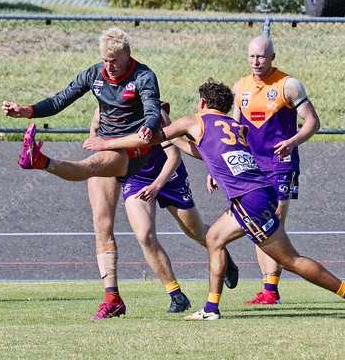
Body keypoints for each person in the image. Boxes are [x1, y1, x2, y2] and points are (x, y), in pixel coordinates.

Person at [83, 80, 345, 320]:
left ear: (203, 103)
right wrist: (179, 143)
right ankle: (211, 308)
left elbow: (148, 139)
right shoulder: (233, 125)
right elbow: (205, 152)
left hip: (249, 200)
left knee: (289, 260)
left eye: (198, 102)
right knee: (215, 239)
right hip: (262, 192)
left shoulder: (195, 120)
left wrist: (108, 143)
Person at [2, 27, 161, 319]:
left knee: (90, 165)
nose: (108, 66)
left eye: (114, 60)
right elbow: (59, 100)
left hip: (132, 151)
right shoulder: (94, 74)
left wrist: (148, 128)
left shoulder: (143, 76)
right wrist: (25, 111)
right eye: (105, 60)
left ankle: (42, 161)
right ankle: (112, 299)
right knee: (102, 222)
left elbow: (152, 111)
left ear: (128, 55)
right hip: (105, 146)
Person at [90, 103, 239, 314]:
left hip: (169, 176)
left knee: (195, 231)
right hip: (136, 178)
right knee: (145, 235)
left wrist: (156, 186)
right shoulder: (102, 112)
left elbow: (174, 156)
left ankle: (223, 255)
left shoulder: (154, 112)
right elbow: (95, 133)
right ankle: (177, 296)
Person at [231, 35, 320, 305]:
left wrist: (292, 142)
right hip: (251, 166)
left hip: (281, 164)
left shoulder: (288, 85)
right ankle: (268, 289)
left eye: (261, 56)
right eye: (251, 56)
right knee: (259, 222)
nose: (256, 61)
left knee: (275, 220)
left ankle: (271, 290)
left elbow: (313, 122)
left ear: (272, 57)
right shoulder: (240, 87)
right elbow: (233, 132)